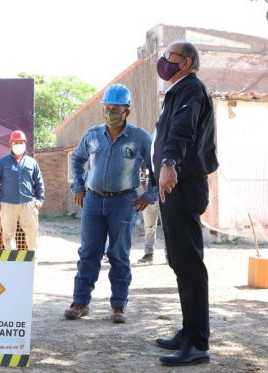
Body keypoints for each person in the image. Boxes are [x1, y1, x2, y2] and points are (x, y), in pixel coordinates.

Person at [63, 84, 156, 324]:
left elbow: (154, 169)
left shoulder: (139, 137)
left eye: (116, 107)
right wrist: (79, 187)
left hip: (124, 202)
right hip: (93, 201)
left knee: (119, 253)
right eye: (107, 107)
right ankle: (80, 302)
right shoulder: (92, 135)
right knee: (88, 252)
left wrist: (149, 196)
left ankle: (119, 306)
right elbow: (77, 159)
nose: (111, 111)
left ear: (127, 110)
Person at [152, 40, 218, 366]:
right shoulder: (177, 91)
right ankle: (189, 331)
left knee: (189, 264)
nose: (163, 61)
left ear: (187, 63)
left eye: (170, 57)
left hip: (183, 183)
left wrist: (169, 163)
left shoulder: (191, 90)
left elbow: (182, 131)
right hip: (171, 188)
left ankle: (198, 344)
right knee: (179, 262)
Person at [0, 130, 45, 250]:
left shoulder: (32, 162)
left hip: (28, 204)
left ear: (25, 144)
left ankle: (32, 260)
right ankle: (13, 261)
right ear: (11, 144)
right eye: (16, 142)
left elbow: (39, 181)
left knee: (32, 233)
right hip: (7, 204)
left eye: (21, 142)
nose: (18, 144)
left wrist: (40, 198)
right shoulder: (2, 162)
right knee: (8, 235)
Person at [137, 167, 160, 263]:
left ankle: (169, 254)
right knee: (149, 226)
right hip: (147, 196)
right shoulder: (143, 155)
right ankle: (149, 253)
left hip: (163, 193)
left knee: (168, 227)